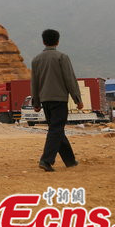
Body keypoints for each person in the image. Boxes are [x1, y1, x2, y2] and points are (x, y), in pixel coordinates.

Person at [31, 29, 82, 172]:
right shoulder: (62, 57)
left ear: (43, 41)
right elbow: (70, 79)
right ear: (58, 42)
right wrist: (77, 99)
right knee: (56, 129)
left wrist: (36, 102)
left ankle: (70, 160)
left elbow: (34, 83)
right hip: (59, 99)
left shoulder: (36, 60)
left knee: (56, 129)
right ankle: (46, 160)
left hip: (45, 100)